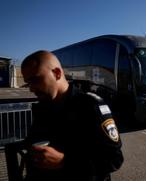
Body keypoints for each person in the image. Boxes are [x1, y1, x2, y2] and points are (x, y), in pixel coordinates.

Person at [21, 50, 123, 181]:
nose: (31, 88)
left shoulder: (90, 106)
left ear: (57, 73)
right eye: (28, 82)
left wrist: (64, 161)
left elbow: (114, 159)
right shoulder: (43, 106)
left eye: (35, 79)